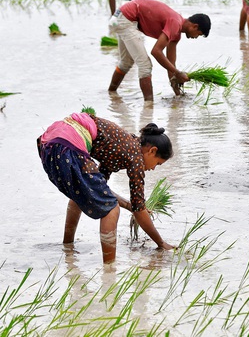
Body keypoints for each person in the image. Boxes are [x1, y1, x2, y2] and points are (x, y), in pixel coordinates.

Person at [37, 113, 176, 263]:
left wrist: (130, 206)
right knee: (111, 209)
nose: (154, 169)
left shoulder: (123, 145)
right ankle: (109, 268)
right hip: (68, 146)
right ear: (152, 151)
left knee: (81, 192)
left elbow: (99, 189)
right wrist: (161, 243)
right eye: (157, 163)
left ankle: (68, 247)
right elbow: (139, 209)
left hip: (50, 143)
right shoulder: (136, 157)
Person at [107, 0, 211, 101]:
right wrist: (178, 73)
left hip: (120, 16)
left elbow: (171, 64)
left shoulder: (176, 34)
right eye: (199, 34)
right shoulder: (175, 23)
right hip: (126, 18)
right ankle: (148, 105)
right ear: (194, 26)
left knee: (126, 62)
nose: (196, 37)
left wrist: (177, 92)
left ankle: (111, 93)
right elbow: (156, 51)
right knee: (145, 66)